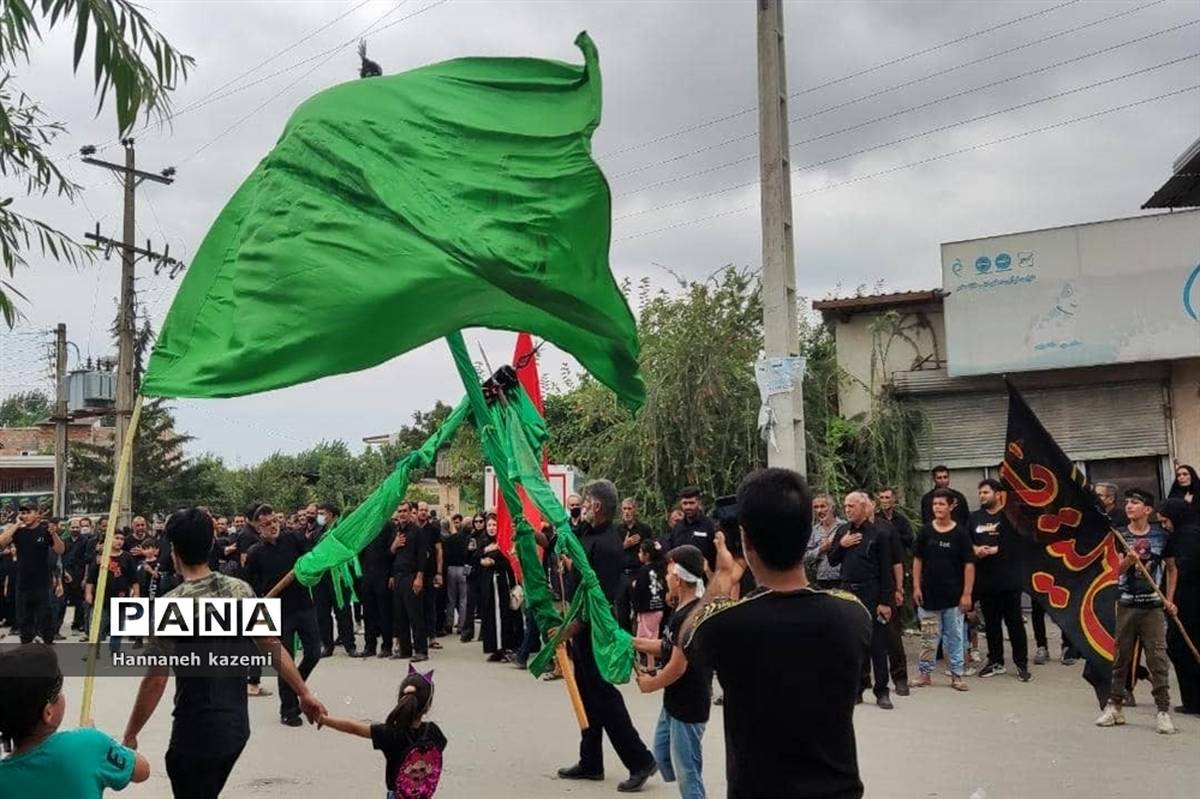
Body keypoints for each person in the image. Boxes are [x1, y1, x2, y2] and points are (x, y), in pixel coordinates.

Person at [680, 468, 870, 798]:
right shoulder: (852, 613)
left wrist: (723, 575)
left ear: (746, 540)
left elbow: (684, 639)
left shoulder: (723, 623)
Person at [122, 508, 327, 799]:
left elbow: (155, 679)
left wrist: (131, 734)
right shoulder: (240, 590)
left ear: (175, 551)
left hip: (196, 728)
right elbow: (270, 643)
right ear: (210, 546)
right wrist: (304, 692)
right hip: (235, 726)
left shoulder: (172, 604)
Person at [556, 479, 658, 792]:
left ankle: (640, 760)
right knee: (587, 694)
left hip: (594, 629)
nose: (581, 506)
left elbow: (596, 600)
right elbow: (569, 552)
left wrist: (569, 629)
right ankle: (591, 762)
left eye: (586, 501)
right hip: (581, 627)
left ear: (597, 507)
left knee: (604, 697)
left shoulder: (609, 546)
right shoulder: (587, 532)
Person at [0, 643, 150, 798]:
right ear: (48, 713)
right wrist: (95, 739)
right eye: (60, 693)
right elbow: (142, 770)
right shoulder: (87, 743)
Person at [1096, 489, 1179, 734]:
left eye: (1136, 502)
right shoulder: (1118, 535)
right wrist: (1127, 562)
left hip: (1152, 606)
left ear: (1148, 510)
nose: (1129, 506)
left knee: (1157, 659)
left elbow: (1172, 568)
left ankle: (1163, 711)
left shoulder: (1161, 536)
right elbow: (1113, 572)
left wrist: (1169, 599)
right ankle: (1115, 706)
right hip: (1126, 604)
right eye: (1128, 502)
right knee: (1121, 658)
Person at [633, 545, 711, 799]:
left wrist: (650, 685)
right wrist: (631, 641)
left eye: (668, 573)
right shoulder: (679, 611)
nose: (666, 578)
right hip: (674, 702)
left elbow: (677, 667)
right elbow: (666, 646)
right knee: (662, 753)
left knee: (688, 772)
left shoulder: (691, 616)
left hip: (688, 706)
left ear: (677, 578)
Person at [243, 504, 324, 727]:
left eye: (274, 521)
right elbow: (250, 586)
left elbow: (311, 560)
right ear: (258, 528)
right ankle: (289, 710)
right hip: (278, 614)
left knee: (314, 653)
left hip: (304, 606)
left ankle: (296, 686)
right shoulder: (255, 554)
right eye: (266, 524)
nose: (272, 526)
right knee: (284, 660)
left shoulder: (294, 539)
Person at [318, 665, 446, 799]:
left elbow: (353, 727)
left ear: (400, 699)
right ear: (428, 705)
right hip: (423, 794)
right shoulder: (434, 731)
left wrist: (324, 719)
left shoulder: (390, 733)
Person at [829, 492, 895, 709]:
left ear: (864, 508)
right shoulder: (842, 531)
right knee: (853, 643)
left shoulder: (879, 533)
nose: (847, 509)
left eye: (852, 506)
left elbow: (887, 569)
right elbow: (832, 560)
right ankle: (857, 688)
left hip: (872, 590)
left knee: (877, 642)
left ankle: (882, 691)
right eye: (845, 506)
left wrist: (885, 601)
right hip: (848, 590)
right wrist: (842, 544)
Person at [912, 489, 975, 691]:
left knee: (955, 636)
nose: (937, 508)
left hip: (954, 597)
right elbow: (917, 560)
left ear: (950, 506)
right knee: (929, 637)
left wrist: (967, 594)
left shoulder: (960, 534)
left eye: (941, 504)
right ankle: (925, 674)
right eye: (934, 504)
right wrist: (915, 586)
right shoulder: (925, 531)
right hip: (929, 596)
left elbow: (969, 565)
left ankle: (957, 675)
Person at [969, 479, 1031, 682]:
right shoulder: (974, 518)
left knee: (1014, 623)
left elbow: (1021, 545)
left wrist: (997, 550)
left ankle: (1021, 664)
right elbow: (965, 542)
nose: (981, 496)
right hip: (985, 580)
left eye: (985, 492)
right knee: (992, 624)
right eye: (980, 493)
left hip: (1008, 579)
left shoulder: (1010, 517)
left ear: (997, 494)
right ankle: (995, 661)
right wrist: (976, 550)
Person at [1157, 497, 1200, 715]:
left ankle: (1195, 701)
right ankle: (1192, 700)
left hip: (1189, 605)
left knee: (1182, 648)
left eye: (1165, 521)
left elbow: (1184, 570)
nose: (1165, 526)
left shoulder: (1188, 537)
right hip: (1183, 603)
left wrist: (1171, 599)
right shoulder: (1185, 534)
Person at [0, 504, 64, 645]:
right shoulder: (18, 532)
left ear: (37, 514)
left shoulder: (45, 532)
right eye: (22, 512)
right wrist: (16, 524)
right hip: (23, 583)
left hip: (42, 583)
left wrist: (54, 534)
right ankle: (26, 646)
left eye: (28, 512)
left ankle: (48, 643)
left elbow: (60, 550)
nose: (25, 515)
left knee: (45, 616)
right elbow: (1, 543)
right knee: (24, 619)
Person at [874, 488, 911, 695]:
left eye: (887, 497)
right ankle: (864, 681)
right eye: (881, 498)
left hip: (887, 587)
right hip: (867, 588)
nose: (883, 501)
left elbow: (898, 559)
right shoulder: (857, 529)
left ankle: (900, 678)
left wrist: (898, 588)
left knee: (892, 635)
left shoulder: (892, 526)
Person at [84, 531, 139, 655]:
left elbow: (134, 579)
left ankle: (115, 651)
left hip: (120, 597)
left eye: (122, 539)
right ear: (110, 539)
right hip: (101, 598)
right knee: (96, 625)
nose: (119, 541)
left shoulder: (127, 557)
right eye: (117, 538)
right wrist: (88, 593)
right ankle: (93, 651)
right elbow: (91, 578)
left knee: (117, 626)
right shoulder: (101, 557)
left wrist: (136, 594)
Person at [476, 514, 522, 663]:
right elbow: (473, 558)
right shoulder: (482, 541)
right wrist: (483, 556)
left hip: (502, 583)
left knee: (504, 615)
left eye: (494, 525)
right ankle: (494, 648)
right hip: (488, 585)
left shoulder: (504, 542)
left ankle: (505, 648)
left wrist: (493, 562)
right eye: (489, 525)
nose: (491, 528)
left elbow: (509, 562)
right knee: (490, 615)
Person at [390, 502, 430, 662]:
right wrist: (394, 545)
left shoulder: (417, 532)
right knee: (400, 616)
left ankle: (421, 650)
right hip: (397, 577)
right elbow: (391, 555)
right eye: (399, 511)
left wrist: (419, 577)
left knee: (415, 615)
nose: (402, 514)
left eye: (405, 511)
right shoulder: (396, 531)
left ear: (410, 512)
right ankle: (405, 650)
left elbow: (422, 556)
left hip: (412, 576)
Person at [355, 517, 397, 659]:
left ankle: (387, 646)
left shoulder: (389, 525)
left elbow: (393, 552)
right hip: (367, 575)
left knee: (385, 613)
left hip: (383, 575)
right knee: (368, 613)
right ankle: (370, 646)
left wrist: (392, 574)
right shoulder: (365, 526)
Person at [617, 498, 654, 633]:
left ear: (635, 510)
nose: (627, 512)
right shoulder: (617, 530)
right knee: (622, 613)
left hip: (639, 573)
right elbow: (611, 553)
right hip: (622, 575)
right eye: (624, 509)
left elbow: (651, 550)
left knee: (641, 611)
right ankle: (626, 644)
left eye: (630, 509)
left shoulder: (644, 529)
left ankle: (642, 644)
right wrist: (625, 545)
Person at [414, 502, 444, 653]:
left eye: (426, 510)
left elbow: (439, 550)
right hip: (414, 574)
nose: (423, 512)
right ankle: (417, 638)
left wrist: (439, 573)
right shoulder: (411, 529)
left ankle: (432, 637)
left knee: (430, 606)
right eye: (421, 510)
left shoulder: (433, 529)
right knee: (414, 607)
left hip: (430, 573)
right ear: (417, 511)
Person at [668, 488, 718, 570]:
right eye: (685, 503)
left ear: (699, 503)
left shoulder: (710, 526)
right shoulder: (677, 528)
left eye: (691, 503)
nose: (688, 507)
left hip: (706, 577)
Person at [802, 493, 843, 589]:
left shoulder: (844, 527)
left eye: (823, 506)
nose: (819, 510)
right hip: (821, 581)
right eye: (816, 507)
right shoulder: (813, 531)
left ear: (832, 508)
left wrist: (835, 545)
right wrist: (821, 549)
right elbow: (805, 557)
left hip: (842, 579)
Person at [459, 514, 486, 643]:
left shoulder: (486, 536)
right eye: (476, 521)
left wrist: (476, 551)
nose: (478, 523)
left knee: (485, 603)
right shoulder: (471, 536)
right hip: (472, 574)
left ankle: (484, 633)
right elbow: (464, 557)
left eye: (481, 521)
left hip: (484, 573)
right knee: (470, 603)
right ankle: (467, 631)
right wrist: (469, 551)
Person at [442, 514, 470, 637]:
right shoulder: (466, 538)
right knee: (463, 599)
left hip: (451, 569)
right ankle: (461, 625)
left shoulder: (448, 539)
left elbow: (445, 555)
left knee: (450, 598)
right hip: (463, 569)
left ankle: (449, 624)